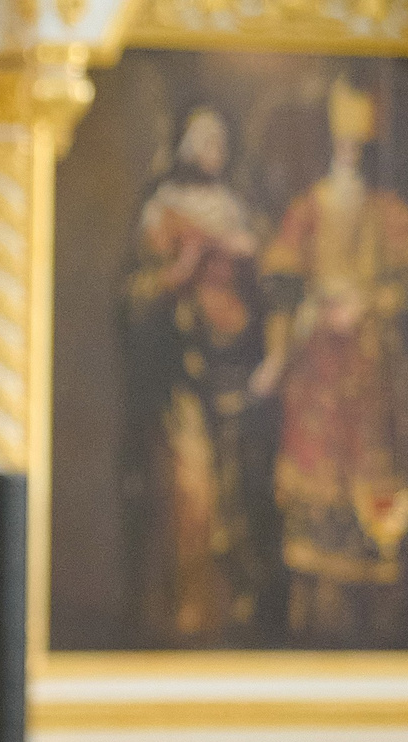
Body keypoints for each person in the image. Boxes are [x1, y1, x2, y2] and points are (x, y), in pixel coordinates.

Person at [253, 76, 408, 643]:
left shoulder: (390, 212)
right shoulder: (306, 209)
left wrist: (367, 304)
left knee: (374, 472)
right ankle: (315, 609)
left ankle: (376, 611)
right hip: (316, 363)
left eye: (358, 145)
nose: (349, 153)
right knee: (313, 473)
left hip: (372, 362)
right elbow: (282, 285)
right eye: (341, 144)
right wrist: (289, 341)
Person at [123, 106, 270, 642]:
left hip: (234, 367)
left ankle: (234, 610)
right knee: (189, 490)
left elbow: (259, 280)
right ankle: (187, 609)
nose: (214, 149)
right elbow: (140, 294)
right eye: (205, 139)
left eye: (219, 140)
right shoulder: (163, 208)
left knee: (237, 491)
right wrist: (184, 269)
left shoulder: (233, 208)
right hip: (179, 371)